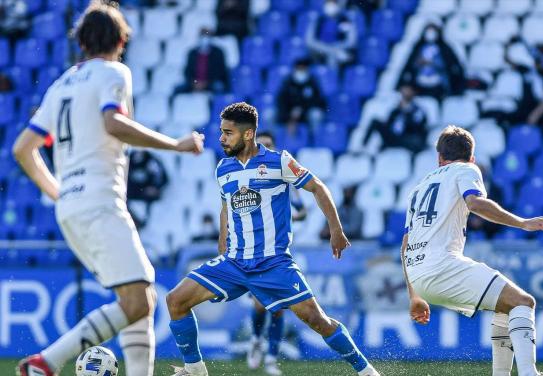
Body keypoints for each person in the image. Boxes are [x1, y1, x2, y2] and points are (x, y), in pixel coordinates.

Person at [12, 2, 205, 376]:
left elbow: (23, 148)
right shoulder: (114, 72)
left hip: (73, 206)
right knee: (140, 299)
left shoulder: (62, 83)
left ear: (81, 40)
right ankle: (47, 362)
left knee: (137, 299)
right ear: (121, 39)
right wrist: (175, 145)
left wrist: (57, 191)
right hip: (100, 200)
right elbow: (113, 123)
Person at [165, 102, 379, 376]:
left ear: (247, 134)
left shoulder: (279, 161)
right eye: (221, 132)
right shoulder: (223, 168)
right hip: (234, 262)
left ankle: (367, 372)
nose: (221, 138)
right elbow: (225, 207)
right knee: (176, 300)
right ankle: (195, 370)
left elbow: (317, 187)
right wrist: (222, 242)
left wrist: (336, 230)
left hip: (272, 264)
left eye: (227, 133)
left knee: (317, 319)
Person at [400, 126, 543, 376]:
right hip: (443, 266)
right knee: (523, 302)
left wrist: (414, 296)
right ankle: (529, 373)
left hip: (419, 276)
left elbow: (406, 244)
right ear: (472, 157)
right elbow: (474, 203)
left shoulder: (417, 190)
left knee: (507, 306)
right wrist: (523, 223)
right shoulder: (466, 169)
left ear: (439, 158)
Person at [245, 131, 306, 376]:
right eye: (263, 145)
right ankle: (256, 339)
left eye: (270, 145)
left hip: (279, 249)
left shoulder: (283, 175)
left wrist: (285, 214)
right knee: (261, 304)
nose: (266, 149)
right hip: (254, 250)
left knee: (279, 307)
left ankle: (270, 358)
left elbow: (303, 211)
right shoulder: (249, 176)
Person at [399, 23, 465, 98]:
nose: (430, 34)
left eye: (433, 32)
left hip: (438, 84)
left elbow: (452, 66)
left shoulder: (445, 48)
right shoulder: (418, 47)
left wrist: (433, 63)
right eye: (428, 31)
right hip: (419, 84)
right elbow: (409, 65)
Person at [363, 83, 428, 153]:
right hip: (394, 137)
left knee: (414, 140)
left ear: (413, 93)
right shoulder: (396, 110)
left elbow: (418, 127)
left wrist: (406, 112)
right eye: (404, 90)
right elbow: (388, 123)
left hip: (408, 138)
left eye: (408, 90)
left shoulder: (418, 110)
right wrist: (399, 111)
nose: (406, 92)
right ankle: (363, 147)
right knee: (375, 121)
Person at [276, 58, 326, 134]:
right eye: (299, 68)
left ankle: (314, 137)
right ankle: (272, 140)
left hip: (306, 113)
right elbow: (281, 101)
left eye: (304, 69)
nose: (301, 71)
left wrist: (301, 110)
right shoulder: (288, 82)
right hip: (289, 113)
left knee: (316, 114)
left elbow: (318, 101)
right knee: (270, 115)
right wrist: (289, 117)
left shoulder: (312, 82)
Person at [176, 28, 229, 94]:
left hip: (211, 83)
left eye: (207, 36)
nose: (204, 39)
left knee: (219, 87)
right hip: (195, 83)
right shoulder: (192, 53)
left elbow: (220, 71)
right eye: (203, 36)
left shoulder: (218, 52)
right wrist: (194, 83)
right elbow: (187, 71)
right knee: (177, 89)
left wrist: (206, 83)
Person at [305, 0, 357, 68]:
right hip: (321, 50)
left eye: (333, 4)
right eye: (328, 4)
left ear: (337, 6)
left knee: (341, 56)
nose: (330, 7)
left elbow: (352, 41)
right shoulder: (318, 20)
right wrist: (329, 49)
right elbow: (309, 40)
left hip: (340, 49)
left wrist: (337, 46)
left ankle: (333, 74)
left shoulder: (345, 20)